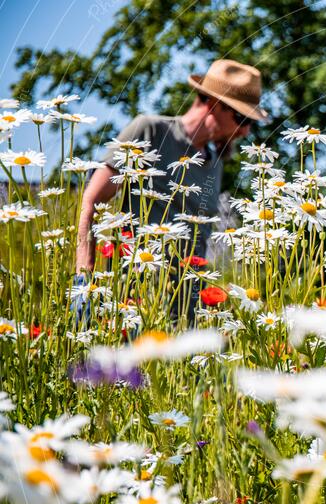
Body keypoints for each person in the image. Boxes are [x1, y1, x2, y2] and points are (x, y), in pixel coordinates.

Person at [72, 59, 267, 325]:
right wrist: (85, 278)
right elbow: (92, 200)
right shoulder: (150, 131)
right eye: (241, 118)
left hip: (185, 305)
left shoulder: (215, 163)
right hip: (134, 297)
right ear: (212, 103)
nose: (246, 130)